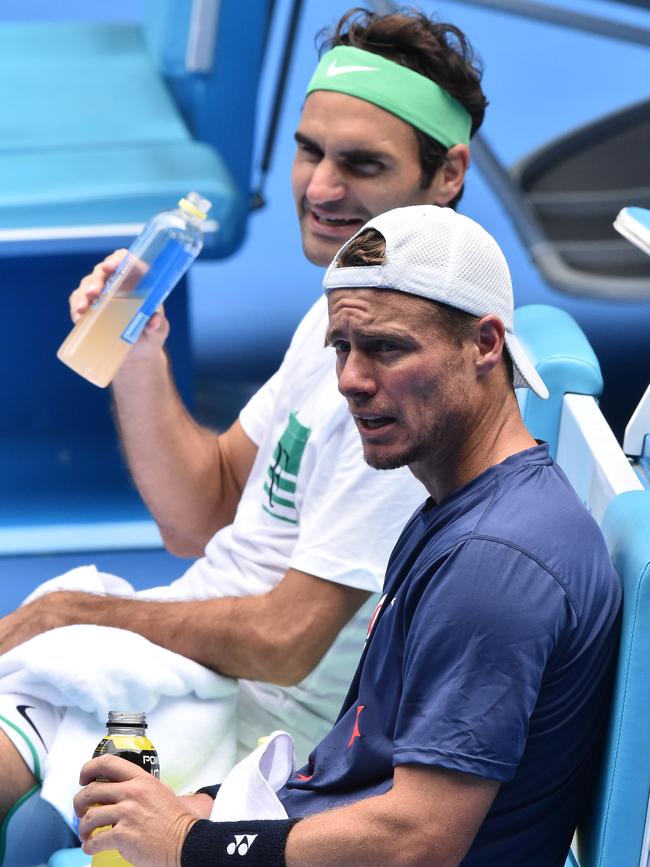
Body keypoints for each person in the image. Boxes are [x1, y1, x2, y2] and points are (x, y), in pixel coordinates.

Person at [0, 8, 488, 864]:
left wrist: (75, 612)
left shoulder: (407, 389)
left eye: (362, 164)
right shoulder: (338, 308)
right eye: (310, 151)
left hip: (246, 723)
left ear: (447, 172)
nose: (322, 187)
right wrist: (138, 360)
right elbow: (204, 512)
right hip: (186, 651)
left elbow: (286, 643)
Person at [73, 205, 622, 867]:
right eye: (343, 347)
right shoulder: (457, 506)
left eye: (387, 348)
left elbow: (415, 839)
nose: (351, 381)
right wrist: (214, 809)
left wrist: (197, 845)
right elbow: (367, 762)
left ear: (484, 344)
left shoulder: (494, 561)